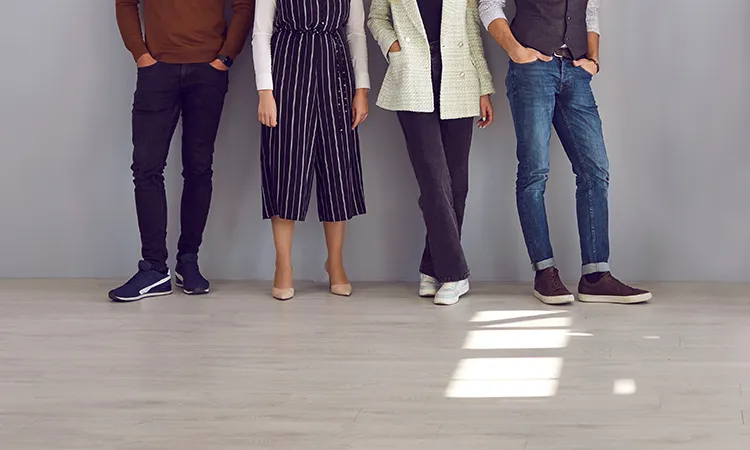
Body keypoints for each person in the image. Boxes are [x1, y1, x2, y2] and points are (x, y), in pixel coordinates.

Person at [479, 0, 652, 305]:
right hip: (532, 71)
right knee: (534, 172)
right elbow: (489, 4)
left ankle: (596, 276)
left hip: (575, 72)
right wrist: (516, 51)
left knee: (595, 169)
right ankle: (544, 271)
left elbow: (590, 10)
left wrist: (594, 59)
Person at [110, 0, 254, 302]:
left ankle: (188, 260)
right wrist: (141, 54)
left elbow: (244, 6)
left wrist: (226, 57)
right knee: (146, 168)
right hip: (157, 70)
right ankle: (154, 268)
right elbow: (125, 3)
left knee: (198, 168)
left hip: (208, 70)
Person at [368, 0, 495, 306]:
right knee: (433, 179)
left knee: (457, 184)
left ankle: (430, 268)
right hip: (412, 73)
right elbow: (376, 19)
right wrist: (394, 48)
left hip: (459, 75)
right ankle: (454, 274)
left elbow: (472, 29)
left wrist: (483, 87)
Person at [252, 0, 370, 301]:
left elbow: (355, 33)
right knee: (285, 165)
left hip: (337, 74)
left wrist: (361, 90)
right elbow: (261, 32)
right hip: (288, 72)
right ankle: (284, 265)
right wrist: (265, 91)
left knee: (337, 167)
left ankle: (335, 262)